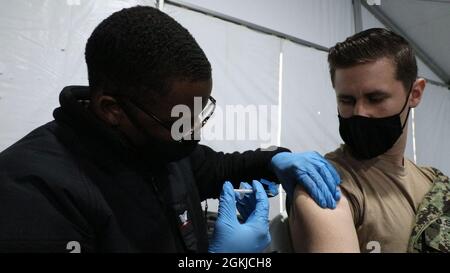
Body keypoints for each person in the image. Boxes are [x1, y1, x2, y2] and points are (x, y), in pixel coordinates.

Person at [0, 6, 340, 253]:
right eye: (178, 120)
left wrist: (275, 161)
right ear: (112, 108)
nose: (193, 132)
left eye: (199, 113)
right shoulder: (33, 191)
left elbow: (216, 167)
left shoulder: (158, 148)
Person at [289, 28, 447, 253]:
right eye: (347, 100)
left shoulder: (433, 181)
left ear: (415, 94)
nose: (360, 112)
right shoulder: (326, 186)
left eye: (375, 98)